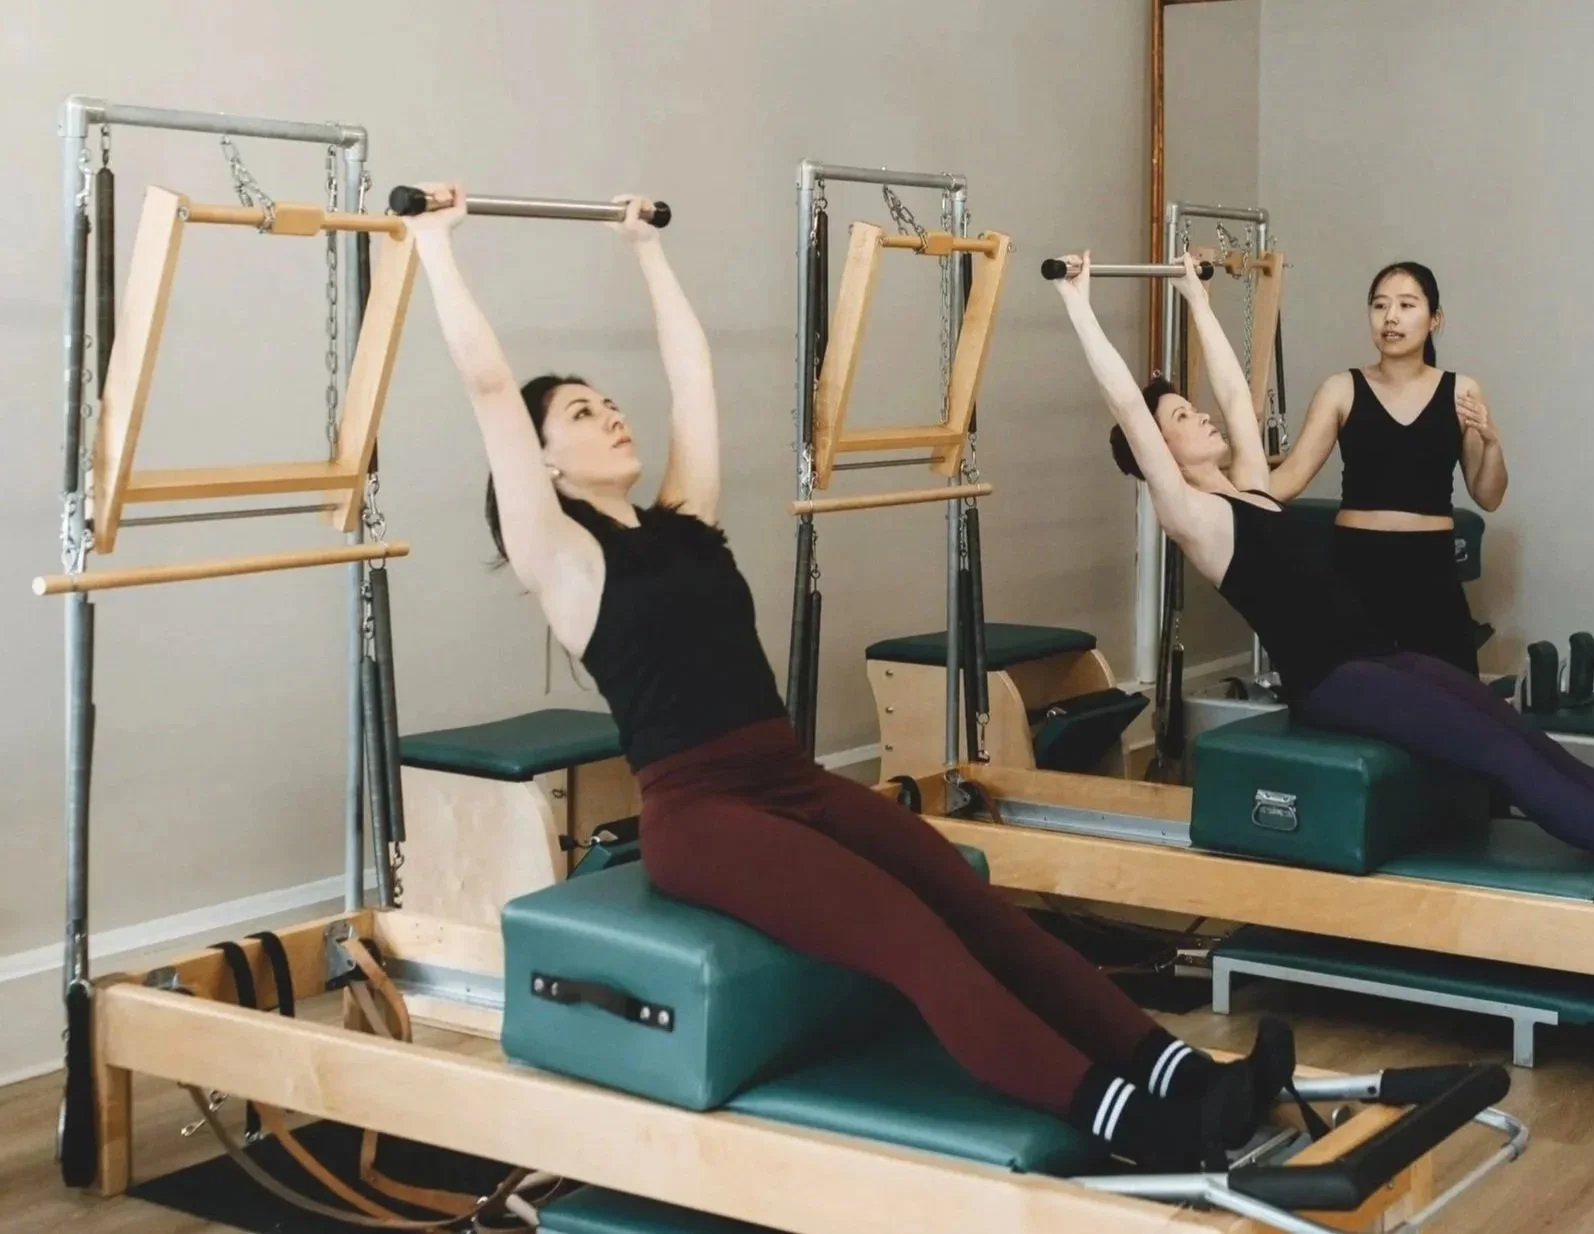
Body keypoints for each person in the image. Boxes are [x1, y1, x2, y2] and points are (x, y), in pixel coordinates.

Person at [399, 183, 1292, 1171]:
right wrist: (435, 244)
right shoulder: (565, 563)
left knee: (976, 905)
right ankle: (1140, 1127)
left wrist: (645, 249)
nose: (611, 414)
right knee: (915, 942)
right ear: (541, 464)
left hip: (791, 779)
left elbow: (692, 375)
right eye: (581, 412)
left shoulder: (684, 521)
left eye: (607, 402)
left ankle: (1183, 1075)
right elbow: (490, 390)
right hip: (702, 815)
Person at [1057, 251, 1594, 897]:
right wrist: (1077, 303)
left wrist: (1197, 298)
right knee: (1496, 754)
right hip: (1334, 680)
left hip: (1379, 655)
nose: (1205, 416)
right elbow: (1127, 406)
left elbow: (1233, 389)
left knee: (1518, 732)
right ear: (1158, 449)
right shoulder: (1193, 517)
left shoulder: (1248, 486)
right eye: (1183, 418)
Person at [1265, 262, 1502, 674]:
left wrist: (1493, 442)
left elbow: (1489, 496)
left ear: (1435, 319)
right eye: (1380, 305)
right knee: (1354, 693)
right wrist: (1217, 491)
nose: (1391, 317)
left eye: (1406, 305)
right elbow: (1290, 477)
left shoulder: (1462, 391)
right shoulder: (1340, 389)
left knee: (1447, 697)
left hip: (1431, 570)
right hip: (1355, 566)